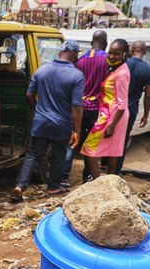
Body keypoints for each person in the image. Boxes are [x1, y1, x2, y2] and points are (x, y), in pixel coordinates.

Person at [11, 40, 84, 202]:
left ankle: (20, 186)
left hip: (41, 121)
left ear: (60, 52)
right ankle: (53, 187)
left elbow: (29, 95)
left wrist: (38, 109)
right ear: (73, 54)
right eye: (77, 54)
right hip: (62, 124)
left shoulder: (42, 70)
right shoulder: (76, 75)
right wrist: (77, 131)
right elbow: (77, 107)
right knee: (58, 155)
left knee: (32, 155)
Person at [61, 30, 109, 186]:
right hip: (96, 109)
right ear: (105, 42)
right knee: (91, 144)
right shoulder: (107, 61)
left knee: (72, 142)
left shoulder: (80, 60)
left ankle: (64, 178)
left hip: (78, 108)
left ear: (91, 42)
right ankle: (87, 176)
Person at [81, 39, 131, 179]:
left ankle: (99, 181)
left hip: (113, 116)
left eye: (116, 54)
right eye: (110, 53)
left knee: (89, 147)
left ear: (124, 54)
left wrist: (112, 126)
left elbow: (122, 103)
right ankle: (109, 181)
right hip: (111, 114)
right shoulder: (116, 68)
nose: (112, 56)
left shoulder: (122, 74)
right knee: (112, 149)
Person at [115, 41, 150, 174]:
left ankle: (104, 163)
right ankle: (116, 170)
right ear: (144, 52)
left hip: (116, 106)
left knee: (110, 134)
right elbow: (148, 95)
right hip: (131, 109)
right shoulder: (148, 69)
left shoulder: (124, 64)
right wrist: (146, 115)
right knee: (123, 140)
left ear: (131, 50)